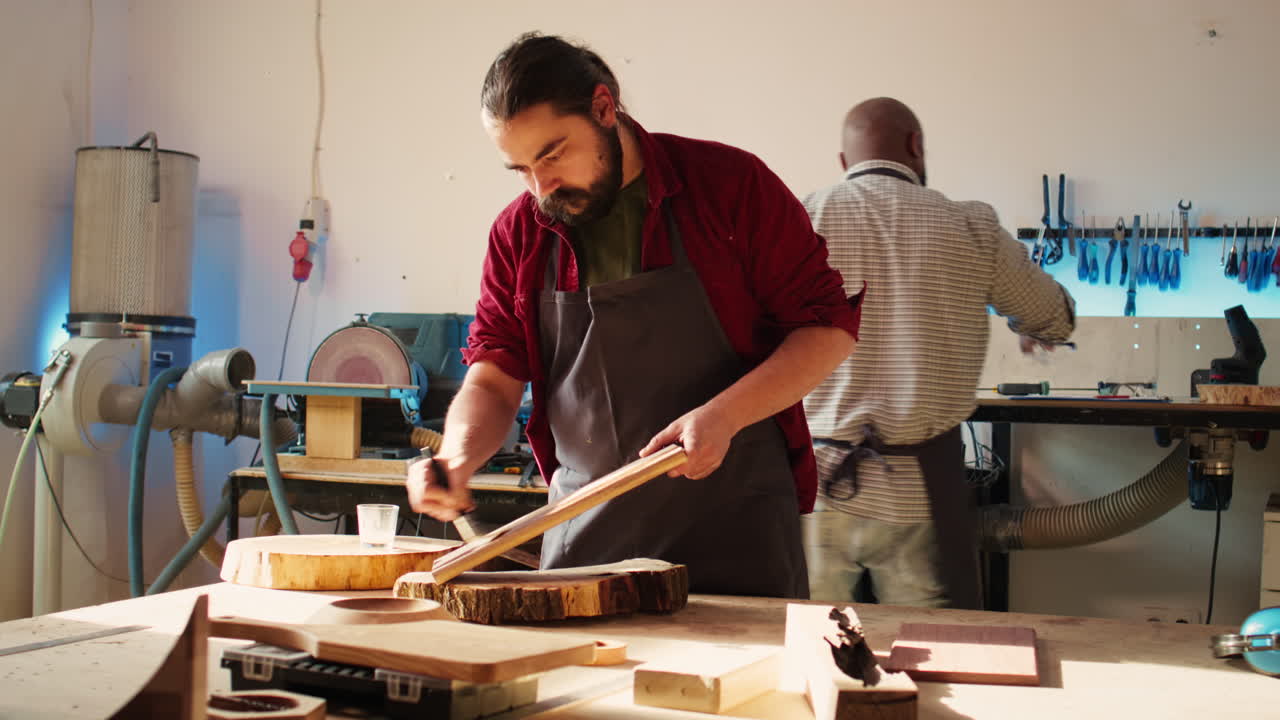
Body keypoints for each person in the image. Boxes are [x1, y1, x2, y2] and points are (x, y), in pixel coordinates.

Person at [405, 33, 862, 598]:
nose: (541, 186)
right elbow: (494, 377)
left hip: (737, 531)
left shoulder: (729, 187)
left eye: (552, 154)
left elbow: (826, 329)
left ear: (603, 107)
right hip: (586, 539)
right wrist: (455, 458)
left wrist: (723, 417)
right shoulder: (519, 233)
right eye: (520, 168)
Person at [800, 97, 1076, 609]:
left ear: (843, 162)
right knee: (927, 648)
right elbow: (1055, 316)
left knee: (813, 643)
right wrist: (1025, 322)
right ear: (916, 146)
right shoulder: (971, 225)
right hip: (919, 492)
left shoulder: (803, 218)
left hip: (818, 488)